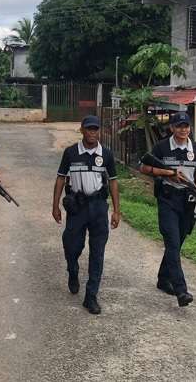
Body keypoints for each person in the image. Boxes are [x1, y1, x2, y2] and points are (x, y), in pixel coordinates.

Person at [52, 115, 120, 315]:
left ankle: (91, 296)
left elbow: (114, 181)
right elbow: (60, 179)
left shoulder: (106, 154)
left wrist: (116, 210)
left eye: (95, 129)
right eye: (89, 129)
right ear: (81, 130)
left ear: (99, 131)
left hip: (98, 207)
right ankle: (72, 270)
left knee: (97, 253)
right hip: (77, 207)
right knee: (72, 246)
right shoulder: (71, 153)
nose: (92, 133)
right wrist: (55, 205)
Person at [139, 112, 196, 307]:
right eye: (179, 126)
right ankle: (181, 290)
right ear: (172, 128)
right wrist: (168, 173)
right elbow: (144, 168)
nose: (183, 129)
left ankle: (163, 279)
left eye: (186, 126)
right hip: (168, 199)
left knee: (177, 244)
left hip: (188, 201)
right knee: (172, 243)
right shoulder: (162, 147)